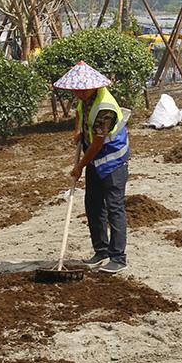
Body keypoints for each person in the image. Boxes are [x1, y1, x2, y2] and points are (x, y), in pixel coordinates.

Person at [53, 61, 130, 274]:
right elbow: (79, 113)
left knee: (114, 207)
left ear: (93, 86)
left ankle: (118, 258)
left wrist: (79, 166)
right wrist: (77, 130)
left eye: (81, 90)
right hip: (95, 160)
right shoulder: (85, 99)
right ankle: (101, 251)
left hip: (112, 160)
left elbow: (97, 143)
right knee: (93, 205)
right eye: (75, 90)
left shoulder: (105, 108)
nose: (78, 93)